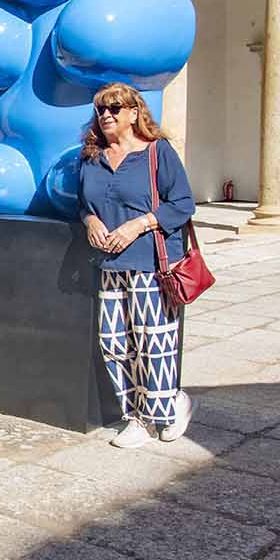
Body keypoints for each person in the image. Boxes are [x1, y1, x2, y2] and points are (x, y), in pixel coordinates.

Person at [77, 82, 196, 449]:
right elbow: (83, 204)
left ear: (134, 112)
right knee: (113, 341)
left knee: (152, 340)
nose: (107, 115)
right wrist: (90, 221)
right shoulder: (91, 158)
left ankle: (158, 413)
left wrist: (139, 224)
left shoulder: (157, 153)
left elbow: (183, 203)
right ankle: (138, 413)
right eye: (101, 110)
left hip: (150, 261)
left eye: (115, 108)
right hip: (109, 264)